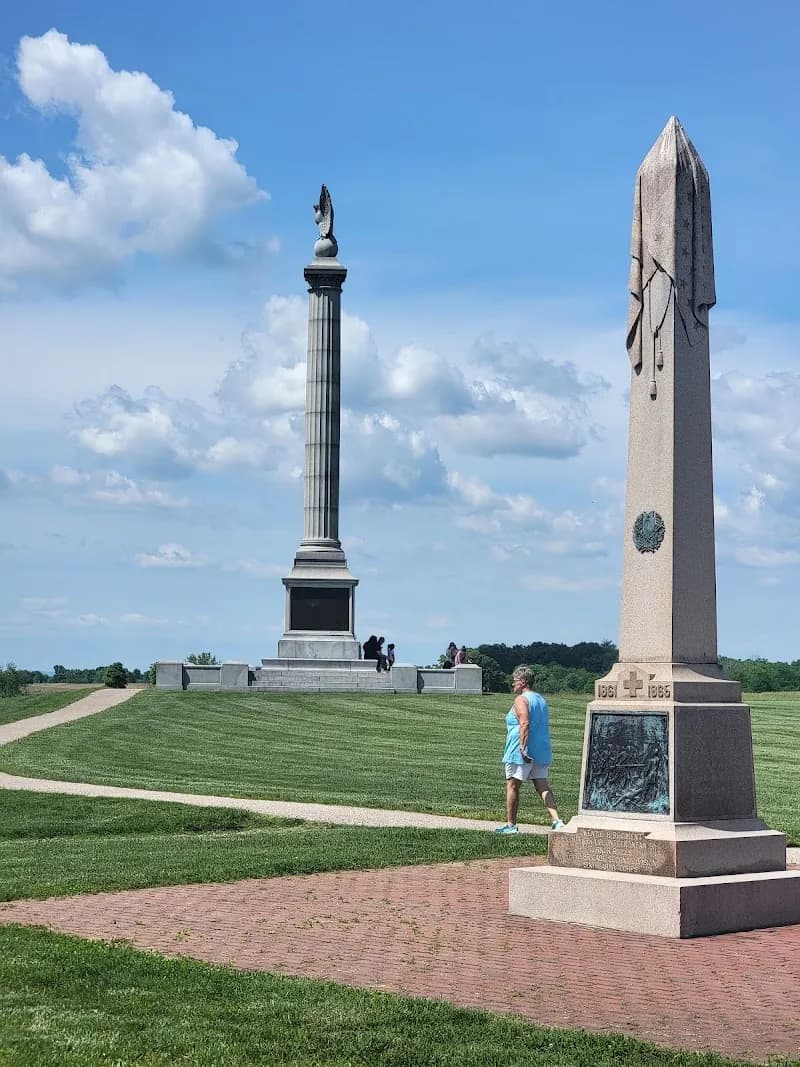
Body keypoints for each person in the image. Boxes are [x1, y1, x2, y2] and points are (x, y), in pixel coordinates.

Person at [495, 665, 564, 834]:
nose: (513, 684)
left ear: (523, 682)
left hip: (521, 750)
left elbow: (524, 722)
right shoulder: (541, 699)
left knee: (512, 785)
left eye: (515, 681)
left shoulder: (521, 700)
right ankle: (557, 820)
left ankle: (511, 825)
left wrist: (522, 747)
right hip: (541, 748)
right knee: (542, 785)